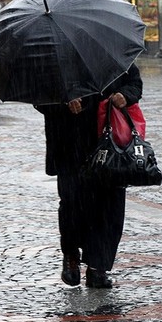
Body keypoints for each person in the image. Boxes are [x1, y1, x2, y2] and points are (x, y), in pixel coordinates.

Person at [36, 64, 143, 288]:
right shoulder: (54, 56)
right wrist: (64, 101)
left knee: (110, 205)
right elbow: (40, 95)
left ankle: (98, 267)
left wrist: (125, 95)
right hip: (69, 145)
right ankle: (71, 256)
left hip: (109, 142)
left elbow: (135, 83)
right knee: (73, 203)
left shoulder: (112, 51)